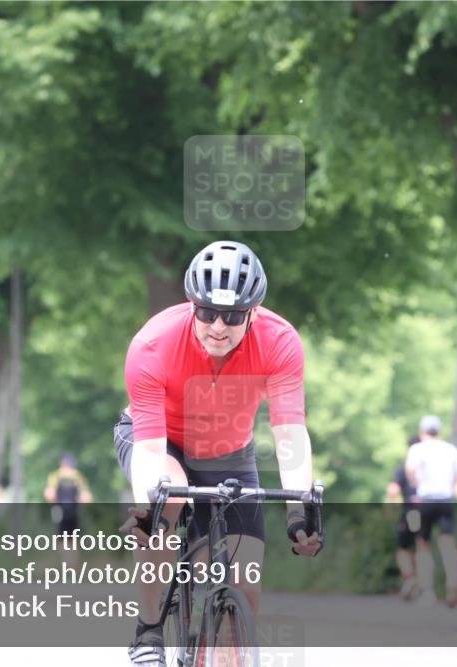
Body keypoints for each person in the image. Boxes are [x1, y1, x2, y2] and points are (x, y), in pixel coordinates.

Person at [114, 240, 320, 666]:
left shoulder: (280, 341)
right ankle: (148, 631)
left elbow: (290, 434)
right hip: (159, 439)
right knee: (167, 497)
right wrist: (149, 509)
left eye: (233, 316)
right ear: (192, 305)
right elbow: (150, 450)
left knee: (246, 587)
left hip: (228, 451)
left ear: (254, 312)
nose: (219, 326)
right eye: (207, 312)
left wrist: (300, 510)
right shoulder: (152, 344)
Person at [406, 415, 457, 608]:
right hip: (445, 500)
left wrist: (415, 482)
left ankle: (427, 591)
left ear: (422, 431)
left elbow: (410, 469)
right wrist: (453, 483)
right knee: (448, 543)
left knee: (422, 544)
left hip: (425, 500)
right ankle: (452, 582)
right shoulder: (451, 449)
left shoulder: (417, 449)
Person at [386, 435, 421, 599]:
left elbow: (393, 490)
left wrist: (391, 509)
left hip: (410, 512)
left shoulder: (404, 468)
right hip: (426, 510)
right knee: (422, 545)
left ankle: (410, 577)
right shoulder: (429, 467)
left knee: (403, 548)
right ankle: (421, 581)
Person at [43, 453, 93, 535]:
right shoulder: (76, 475)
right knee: (72, 533)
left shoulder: (57, 475)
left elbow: (49, 494)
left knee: (61, 533)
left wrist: (54, 503)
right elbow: (86, 496)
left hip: (62, 508)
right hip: (71, 508)